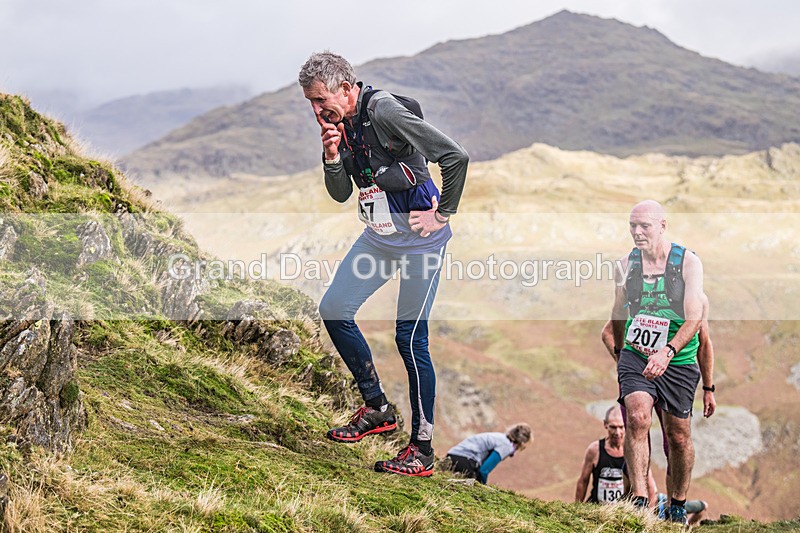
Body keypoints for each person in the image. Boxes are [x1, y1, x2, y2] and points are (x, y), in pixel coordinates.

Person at [298, 51, 469, 477]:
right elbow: (340, 194)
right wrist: (333, 156)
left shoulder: (384, 110)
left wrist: (442, 213)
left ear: (345, 87)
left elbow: (455, 157)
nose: (317, 111)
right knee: (334, 310)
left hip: (422, 243)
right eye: (311, 103)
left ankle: (422, 450)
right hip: (379, 238)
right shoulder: (341, 126)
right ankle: (377, 409)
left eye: (321, 100)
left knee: (410, 339)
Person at [610, 200, 705, 524]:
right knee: (637, 417)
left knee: (678, 437)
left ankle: (677, 504)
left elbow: (695, 317)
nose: (637, 232)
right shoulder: (626, 264)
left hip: (677, 359)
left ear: (662, 225)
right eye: (632, 225)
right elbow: (619, 311)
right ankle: (638, 500)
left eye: (644, 226)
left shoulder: (687, 263)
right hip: (637, 354)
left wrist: (667, 352)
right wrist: (622, 353)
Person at [445, 423, 532, 484]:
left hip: (453, 455)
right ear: (521, 443)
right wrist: (483, 487)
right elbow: (484, 470)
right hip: (466, 460)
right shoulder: (506, 446)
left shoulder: (499, 437)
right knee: (474, 484)